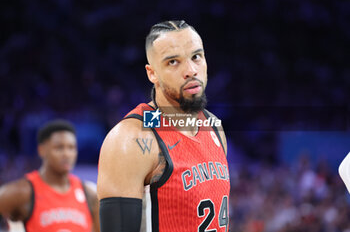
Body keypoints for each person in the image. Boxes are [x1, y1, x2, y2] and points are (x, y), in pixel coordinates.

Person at [97, 20, 230, 232]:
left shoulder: (213, 127)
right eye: (173, 62)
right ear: (152, 74)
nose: (191, 70)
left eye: (196, 57)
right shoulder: (130, 139)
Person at [0, 120, 100, 232]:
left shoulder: (89, 194)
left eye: (71, 148)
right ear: (41, 150)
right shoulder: (23, 192)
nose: (67, 154)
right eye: (59, 148)